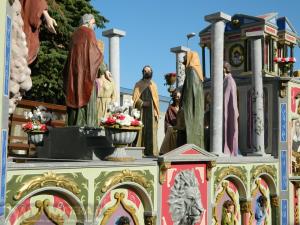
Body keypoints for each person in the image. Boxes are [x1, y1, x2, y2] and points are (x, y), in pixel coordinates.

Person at [63, 14, 110, 127]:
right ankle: (87, 127)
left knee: (75, 96)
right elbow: (94, 53)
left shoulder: (74, 35)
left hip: (74, 74)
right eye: (93, 24)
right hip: (86, 74)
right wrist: (104, 69)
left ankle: (72, 125)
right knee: (87, 97)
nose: (94, 26)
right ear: (88, 22)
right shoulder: (89, 33)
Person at [132, 65, 160, 156]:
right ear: (142, 73)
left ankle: (151, 152)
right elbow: (135, 98)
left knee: (151, 132)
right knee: (141, 131)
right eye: (145, 71)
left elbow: (156, 100)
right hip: (142, 112)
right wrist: (142, 103)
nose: (147, 72)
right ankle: (140, 152)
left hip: (152, 113)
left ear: (151, 72)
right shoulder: (138, 84)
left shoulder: (154, 85)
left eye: (148, 71)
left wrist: (156, 112)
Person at [179, 51, 204, 148]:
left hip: (190, 106)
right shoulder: (197, 72)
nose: (184, 60)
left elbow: (189, 92)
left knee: (190, 125)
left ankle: (191, 146)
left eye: (185, 57)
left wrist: (183, 104)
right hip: (197, 107)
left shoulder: (191, 70)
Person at [95, 41, 116, 123]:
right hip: (97, 105)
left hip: (107, 107)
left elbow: (114, 96)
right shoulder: (95, 81)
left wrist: (111, 105)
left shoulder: (111, 81)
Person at [223, 62, 239, 156]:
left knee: (230, 130)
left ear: (225, 69)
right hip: (224, 111)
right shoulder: (225, 79)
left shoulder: (229, 80)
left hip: (228, 111)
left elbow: (229, 98)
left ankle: (229, 150)